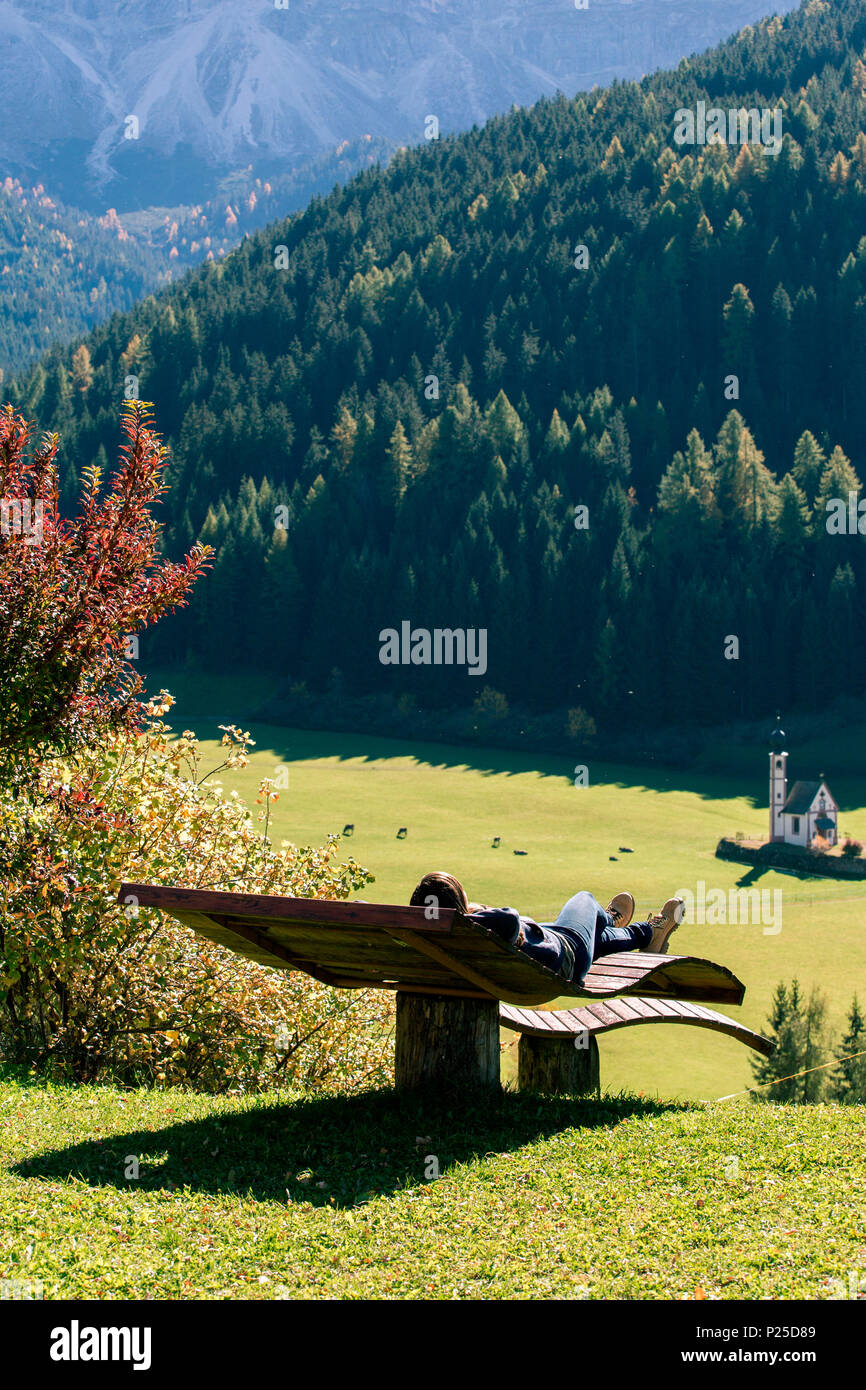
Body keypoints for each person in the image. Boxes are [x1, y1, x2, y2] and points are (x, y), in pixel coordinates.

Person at [409, 871, 685, 987]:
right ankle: (612, 918)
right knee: (584, 899)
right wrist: (474, 913)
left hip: (550, 952)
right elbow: (509, 919)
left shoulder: (432, 940)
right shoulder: (470, 926)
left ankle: (647, 933)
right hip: (564, 956)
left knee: (597, 938)